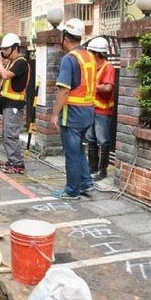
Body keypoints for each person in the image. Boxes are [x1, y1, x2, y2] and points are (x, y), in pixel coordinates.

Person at [49, 18, 97, 199]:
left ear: (65, 37)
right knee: (79, 150)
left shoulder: (69, 59)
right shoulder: (89, 56)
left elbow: (64, 90)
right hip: (88, 113)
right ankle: (86, 183)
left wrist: (54, 114)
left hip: (73, 114)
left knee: (72, 153)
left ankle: (72, 191)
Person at [0, 33, 30, 174]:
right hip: (7, 104)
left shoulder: (21, 62)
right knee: (7, 133)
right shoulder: (10, 62)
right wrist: (0, 63)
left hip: (15, 105)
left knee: (11, 134)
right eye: (2, 49)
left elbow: (5, 75)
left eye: (6, 49)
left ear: (15, 48)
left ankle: (17, 163)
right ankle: (12, 160)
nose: (3, 52)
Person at [85, 37, 115, 181]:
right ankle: (92, 167)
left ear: (97, 53)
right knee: (91, 138)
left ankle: (103, 170)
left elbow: (108, 87)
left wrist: (93, 87)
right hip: (91, 109)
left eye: (90, 52)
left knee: (102, 140)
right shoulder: (92, 67)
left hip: (103, 111)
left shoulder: (107, 67)